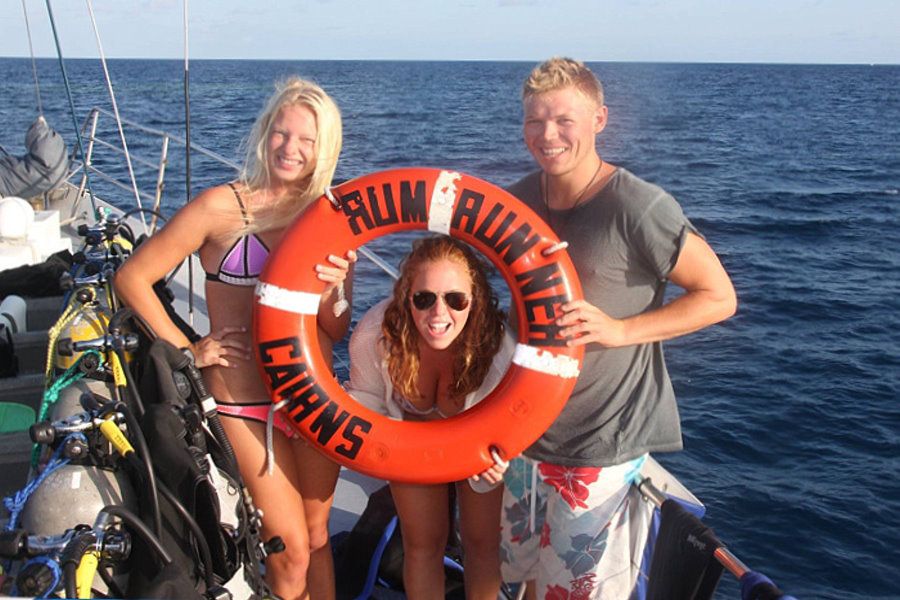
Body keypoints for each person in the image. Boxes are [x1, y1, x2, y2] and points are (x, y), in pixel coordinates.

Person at [499, 57, 738, 598]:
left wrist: (620, 330)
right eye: (535, 120)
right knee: (518, 581)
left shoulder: (638, 206)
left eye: (564, 120)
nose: (547, 135)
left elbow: (719, 297)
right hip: (521, 433)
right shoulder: (516, 201)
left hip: (598, 446)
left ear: (599, 119)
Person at [115, 77, 355, 600]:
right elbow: (133, 278)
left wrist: (335, 288)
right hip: (243, 403)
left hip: (312, 399)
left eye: (307, 140)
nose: (290, 148)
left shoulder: (328, 216)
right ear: (265, 132)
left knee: (318, 539)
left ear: (324, 150)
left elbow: (336, 326)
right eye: (281, 133)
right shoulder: (219, 207)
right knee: (289, 551)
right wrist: (186, 350)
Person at [344, 235, 514, 600]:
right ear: (407, 296)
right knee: (422, 546)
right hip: (411, 443)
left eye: (455, 299)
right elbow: (366, 400)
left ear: (475, 299)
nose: (439, 314)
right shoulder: (378, 333)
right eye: (424, 298)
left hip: (475, 446)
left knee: (482, 545)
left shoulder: (498, 348)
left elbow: (516, 413)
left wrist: (503, 451)